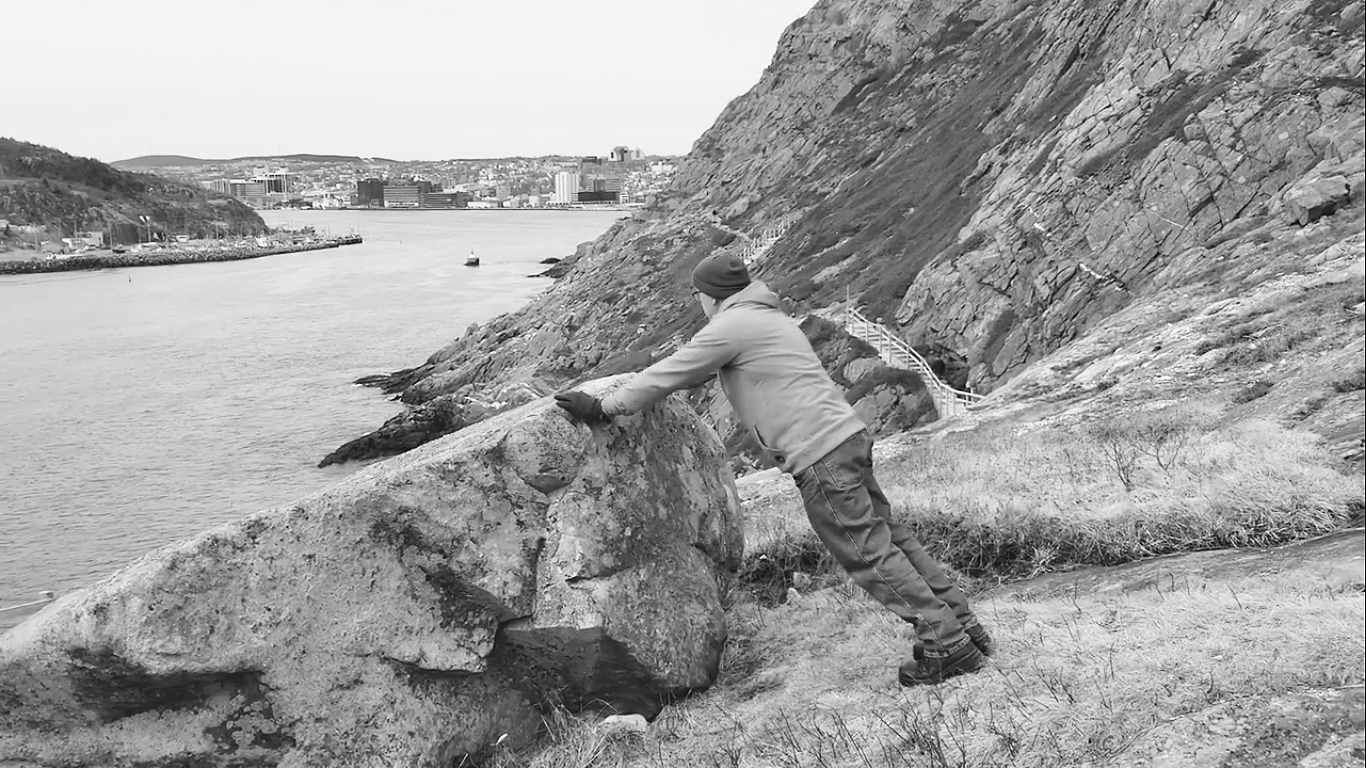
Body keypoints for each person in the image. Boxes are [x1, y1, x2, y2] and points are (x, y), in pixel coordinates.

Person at [554, 252, 993, 686]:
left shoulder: (732, 325)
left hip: (819, 454)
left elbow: (674, 369)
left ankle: (945, 641)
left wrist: (604, 407)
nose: (698, 303)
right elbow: (700, 371)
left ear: (711, 295)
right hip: (845, 437)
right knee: (893, 540)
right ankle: (964, 627)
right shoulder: (766, 315)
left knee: (867, 553)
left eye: (698, 294)